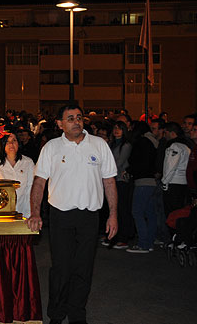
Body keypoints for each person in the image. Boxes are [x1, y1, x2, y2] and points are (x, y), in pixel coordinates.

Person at [27, 104, 118, 324]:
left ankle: (77, 314)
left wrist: (113, 214)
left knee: (83, 269)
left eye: (79, 117)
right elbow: (39, 182)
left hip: (89, 217)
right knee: (61, 268)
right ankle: (57, 314)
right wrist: (35, 213)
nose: (76, 121)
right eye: (70, 118)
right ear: (59, 124)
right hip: (61, 217)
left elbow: (109, 182)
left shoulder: (99, 145)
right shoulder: (51, 147)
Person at [125, 121, 158, 253]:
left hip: (143, 181)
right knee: (150, 213)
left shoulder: (142, 143)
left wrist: (130, 170)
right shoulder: (153, 142)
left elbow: (137, 162)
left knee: (137, 212)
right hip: (151, 181)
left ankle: (143, 244)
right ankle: (149, 242)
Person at [0, 133, 35, 218]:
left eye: (14, 141)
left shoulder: (28, 162)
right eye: (7, 142)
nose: (11, 144)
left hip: (22, 210)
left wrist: (29, 214)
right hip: (1, 212)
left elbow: (30, 189)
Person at [108, 121, 133, 249]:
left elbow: (119, 162)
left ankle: (124, 237)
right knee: (113, 209)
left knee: (122, 209)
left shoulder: (126, 145)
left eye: (120, 129)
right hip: (111, 179)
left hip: (120, 180)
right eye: (115, 128)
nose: (116, 131)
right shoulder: (111, 144)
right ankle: (114, 235)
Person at [161, 122, 192, 217]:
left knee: (171, 214)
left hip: (173, 183)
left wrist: (165, 182)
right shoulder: (187, 146)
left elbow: (170, 166)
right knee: (180, 212)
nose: (164, 135)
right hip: (183, 182)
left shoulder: (175, 146)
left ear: (172, 133)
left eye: (165, 133)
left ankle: (174, 232)